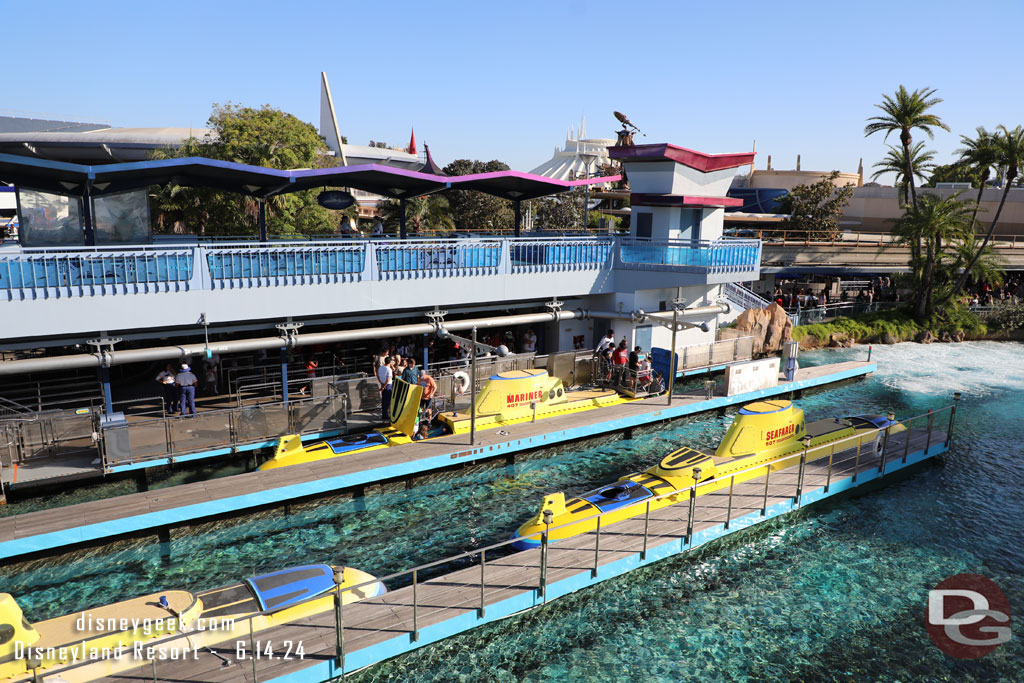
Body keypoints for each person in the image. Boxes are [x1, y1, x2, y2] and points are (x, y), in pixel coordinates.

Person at [377, 355, 394, 423]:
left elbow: (378, 376)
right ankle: (386, 414)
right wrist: (384, 386)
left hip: (382, 384)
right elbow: (388, 379)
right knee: (388, 400)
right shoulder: (389, 369)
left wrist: (381, 384)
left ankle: (384, 414)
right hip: (388, 385)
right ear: (390, 362)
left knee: (384, 400)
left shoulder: (380, 368)